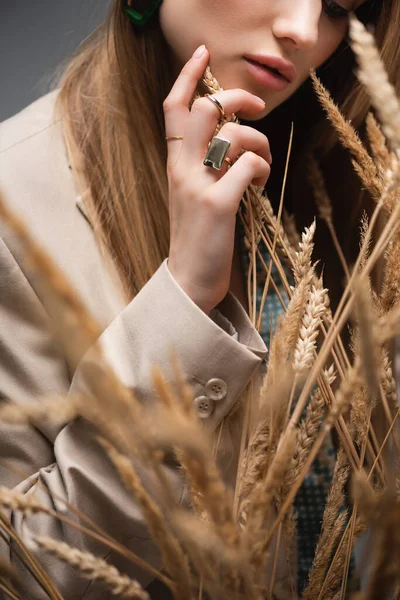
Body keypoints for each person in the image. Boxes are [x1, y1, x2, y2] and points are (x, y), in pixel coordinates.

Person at [0, 0, 399, 598]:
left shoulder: (341, 172)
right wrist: (185, 293)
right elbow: (23, 571)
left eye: (342, 5)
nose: (303, 28)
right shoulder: (13, 206)